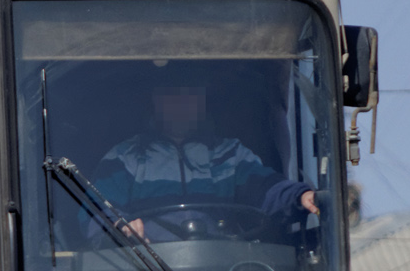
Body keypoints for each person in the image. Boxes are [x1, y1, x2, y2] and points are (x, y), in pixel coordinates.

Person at [92, 84, 318, 241]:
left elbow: (267, 189)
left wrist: (300, 196)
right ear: (156, 100)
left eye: (190, 95)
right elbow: (98, 209)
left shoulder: (230, 154)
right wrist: (119, 226)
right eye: (172, 95)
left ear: (202, 102)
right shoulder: (125, 157)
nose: (181, 103)